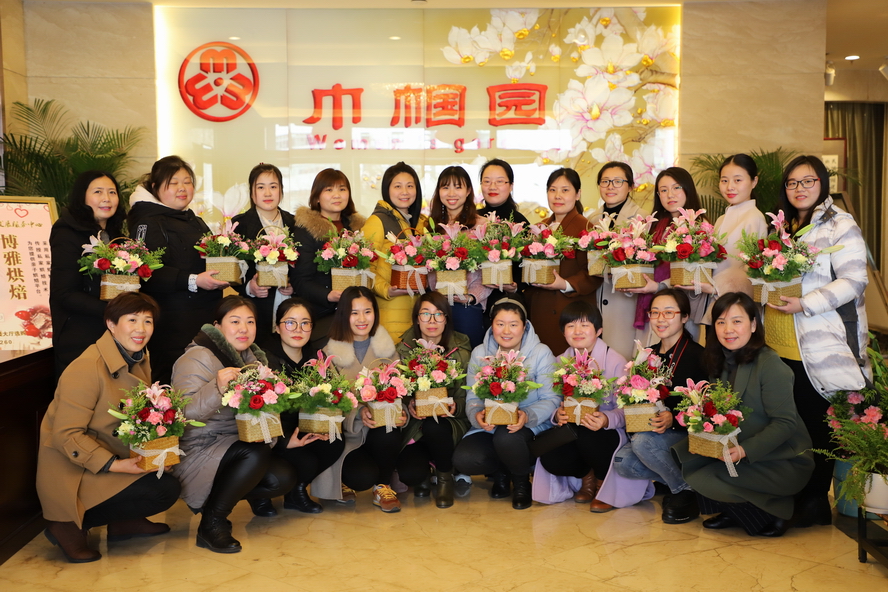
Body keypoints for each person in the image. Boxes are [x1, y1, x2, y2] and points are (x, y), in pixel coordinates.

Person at [766, 155, 871, 527]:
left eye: (808, 181)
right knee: (791, 423)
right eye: (793, 182)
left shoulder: (840, 223)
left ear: (822, 183)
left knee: (817, 424)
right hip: (781, 340)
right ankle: (795, 495)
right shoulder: (783, 227)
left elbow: (854, 280)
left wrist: (806, 303)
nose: (800, 188)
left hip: (819, 341)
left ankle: (814, 501)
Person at [36, 292, 180, 563]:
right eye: (132, 320)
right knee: (161, 489)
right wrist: (116, 465)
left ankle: (124, 523)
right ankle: (67, 524)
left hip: (108, 454)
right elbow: (66, 436)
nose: (141, 329)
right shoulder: (87, 367)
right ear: (111, 324)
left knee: (166, 476)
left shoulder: (138, 358)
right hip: (74, 469)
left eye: (148, 321)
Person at [674, 292, 814, 537]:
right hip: (738, 451)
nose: (728, 329)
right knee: (685, 457)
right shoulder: (719, 361)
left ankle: (781, 509)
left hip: (781, 460)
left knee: (708, 477)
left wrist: (744, 450)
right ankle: (736, 510)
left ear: (753, 324)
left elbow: (785, 424)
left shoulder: (770, 364)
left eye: (737, 321)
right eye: (721, 322)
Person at [171, 296, 297, 553]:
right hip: (198, 447)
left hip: (233, 443)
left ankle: (219, 500)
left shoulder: (252, 360)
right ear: (217, 326)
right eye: (235, 321)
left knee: (282, 479)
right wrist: (217, 388)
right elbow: (182, 416)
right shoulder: (196, 357)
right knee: (255, 452)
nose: (244, 329)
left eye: (250, 322)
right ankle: (212, 523)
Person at [536, 301, 654, 512]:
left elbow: (629, 409)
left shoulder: (616, 361)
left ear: (599, 330)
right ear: (563, 332)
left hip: (605, 432)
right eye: (570, 326)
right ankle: (586, 476)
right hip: (573, 428)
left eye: (584, 325)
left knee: (588, 434)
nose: (577, 331)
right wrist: (557, 414)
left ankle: (602, 482)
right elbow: (551, 399)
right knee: (549, 454)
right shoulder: (559, 361)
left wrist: (607, 419)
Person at [128, 155, 228, 384]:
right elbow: (146, 272)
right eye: (173, 183)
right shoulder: (147, 220)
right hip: (173, 324)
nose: (182, 188)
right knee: (175, 385)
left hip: (204, 317)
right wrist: (194, 280)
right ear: (155, 187)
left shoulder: (193, 219)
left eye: (187, 182)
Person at [453, 298, 560, 510]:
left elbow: (552, 398)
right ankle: (501, 473)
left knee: (506, 436)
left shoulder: (541, 352)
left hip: (528, 425)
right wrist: (477, 415)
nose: (506, 331)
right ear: (491, 325)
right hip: (491, 425)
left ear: (525, 326)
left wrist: (526, 415)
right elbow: (473, 397)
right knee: (465, 459)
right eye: (500, 324)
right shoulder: (480, 353)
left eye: (513, 324)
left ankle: (521, 482)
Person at [614, 289, 707, 524]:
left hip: (686, 435)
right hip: (653, 433)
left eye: (668, 312)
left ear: (684, 317)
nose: (660, 319)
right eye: (654, 312)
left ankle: (684, 491)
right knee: (623, 463)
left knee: (643, 443)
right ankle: (688, 485)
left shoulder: (699, 355)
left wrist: (673, 417)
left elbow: (707, 408)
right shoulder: (648, 355)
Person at [316, 286, 407, 512]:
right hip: (349, 434)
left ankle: (383, 486)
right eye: (354, 312)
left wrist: (401, 412)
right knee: (361, 477)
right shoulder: (328, 353)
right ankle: (345, 479)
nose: (362, 319)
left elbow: (400, 390)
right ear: (343, 315)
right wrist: (358, 412)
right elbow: (327, 404)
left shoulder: (387, 349)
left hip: (379, 430)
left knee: (390, 429)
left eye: (367, 311)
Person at [258, 297, 344, 514]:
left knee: (334, 441)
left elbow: (330, 396)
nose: (298, 329)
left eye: (305, 323)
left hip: (304, 427)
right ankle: (259, 496)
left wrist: (324, 423)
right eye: (290, 323)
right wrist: (284, 441)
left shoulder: (317, 358)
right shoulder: (263, 359)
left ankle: (296, 492)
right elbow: (257, 414)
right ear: (277, 327)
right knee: (304, 461)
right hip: (272, 436)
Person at [395, 291, 472, 508]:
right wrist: (408, 405)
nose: (432, 321)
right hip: (416, 426)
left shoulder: (461, 351)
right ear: (417, 318)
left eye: (438, 314)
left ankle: (445, 478)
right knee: (410, 474)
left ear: (446, 319)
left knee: (434, 425)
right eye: (425, 314)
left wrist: (455, 406)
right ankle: (425, 473)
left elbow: (470, 396)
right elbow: (396, 393)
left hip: (449, 424)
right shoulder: (403, 350)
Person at [50, 170, 126, 378]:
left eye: (112, 192)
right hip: (81, 335)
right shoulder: (66, 232)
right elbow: (64, 292)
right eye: (98, 192)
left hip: (115, 332)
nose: (106, 198)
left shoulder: (117, 236)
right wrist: (115, 311)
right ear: (82, 196)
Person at [626, 167, 710, 342]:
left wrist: (659, 286)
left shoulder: (699, 226)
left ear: (688, 189)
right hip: (651, 307)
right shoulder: (653, 226)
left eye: (676, 187)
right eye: (663, 190)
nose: (670, 195)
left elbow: (695, 273)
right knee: (647, 354)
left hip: (681, 310)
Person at [524, 168, 601, 353]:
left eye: (565, 190)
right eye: (552, 190)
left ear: (578, 194)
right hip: (539, 310)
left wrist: (564, 284)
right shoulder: (540, 228)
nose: (557, 196)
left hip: (568, 312)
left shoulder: (587, 228)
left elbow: (595, 273)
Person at [291, 168, 366, 343]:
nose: (337, 195)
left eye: (342, 189)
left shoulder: (358, 229)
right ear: (317, 197)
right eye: (329, 189)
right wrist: (328, 295)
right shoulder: (306, 230)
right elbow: (300, 281)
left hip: (357, 314)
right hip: (321, 315)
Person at [588, 161, 647, 360]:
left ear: (630, 186)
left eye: (617, 181)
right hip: (597, 299)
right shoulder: (593, 219)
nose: (610, 186)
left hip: (626, 302)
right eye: (605, 181)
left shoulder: (641, 218)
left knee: (621, 361)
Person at [231, 163, 296, 344]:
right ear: (252, 193)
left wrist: (295, 286)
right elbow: (232, 268)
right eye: (261, 187)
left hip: (290, 304)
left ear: (281, 190)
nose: (268, 193)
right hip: (256, 307)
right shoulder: (240, 224)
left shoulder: (295, 223)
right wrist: (249, 287)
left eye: (273, 187)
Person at [363, 162, 428, 338]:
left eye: (410, 186)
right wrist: (386, 290)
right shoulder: (377, 221)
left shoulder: (421, 223)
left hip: (419, 313)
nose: (404, 192)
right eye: (397, 186)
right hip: (390, 311)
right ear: (387, 189)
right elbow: (364, 268)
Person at [428, 165, 490, 347]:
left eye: (458, 187)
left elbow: (490, 271)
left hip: (468, 307)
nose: (451, 193)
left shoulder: (482, 226)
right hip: (436, 307)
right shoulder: (430, 226)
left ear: (468, 190)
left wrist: (472, 297)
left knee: (468, 357)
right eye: (445, 187)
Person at [477, 158, 528, 322]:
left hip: (508, 306)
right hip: (474, 303)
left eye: (499, 181)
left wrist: (515, 286)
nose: (492, 187)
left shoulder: (520, 222)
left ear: (511, 185)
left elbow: (528, 266)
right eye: (487, 181)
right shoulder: (473, 219)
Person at [711, 154, 768, 297]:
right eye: (724, 181)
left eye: (737, 180)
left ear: (754, 181)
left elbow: (752, 270)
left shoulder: (754, 218)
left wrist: (715, 289)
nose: (730, 187)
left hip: (736, 299)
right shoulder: (720, 220)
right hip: (713, 296)